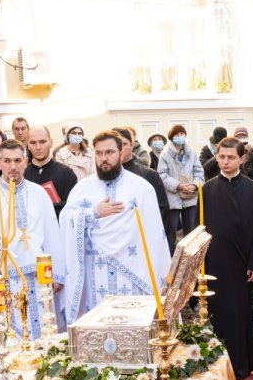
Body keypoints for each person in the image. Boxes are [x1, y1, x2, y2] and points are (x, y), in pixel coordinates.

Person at [59, 130, 170, 320]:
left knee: (132, 324)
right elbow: (65, 219)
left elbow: (155, 237)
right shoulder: (82, 188)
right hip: (95, 272)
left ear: (121, 153)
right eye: (99, 153)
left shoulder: (141, 188)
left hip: (132, 272)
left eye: (109, 152)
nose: (104, 158)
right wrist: (93, 213)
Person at [0, 139, 65, 339]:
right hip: (4, 281)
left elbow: (52, 234)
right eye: (7, 161)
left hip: (38, 279)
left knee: (43, 334)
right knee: (9, 336)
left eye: (18, 160)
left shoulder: (40, 194)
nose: (13, 166)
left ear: (26, 161)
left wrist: (57, 273)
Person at [200, 137, 253, 379]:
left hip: (242, 265)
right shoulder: (206, 189)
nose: (225, 162)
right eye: (221, 157)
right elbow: (199, 229)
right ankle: (216, 366)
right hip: (214, 264)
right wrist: (199, 266)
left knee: (240, 314)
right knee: (216, 314)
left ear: (242, 158)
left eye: (231, 157)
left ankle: (242, 365)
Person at [158, 124, 204, 247]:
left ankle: (190, 259)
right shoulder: (165, 154)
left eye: (182, 134)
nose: (180, 136)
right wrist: (178, 185)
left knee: (191, 231)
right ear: (171, 137)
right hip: (173, 197)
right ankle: (171, 256)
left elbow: (199, 172)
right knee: (171, 229)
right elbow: (162, 175)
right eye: (177, 134)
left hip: (191, 195)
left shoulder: (192, 153)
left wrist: (194, 186)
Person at [114, 127, 170, 224]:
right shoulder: (103, 177)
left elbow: (162, 210)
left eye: (124, 144)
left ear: (132, 145)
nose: (120, 149)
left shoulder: (149, 175)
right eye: (116, 145)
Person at [24, 126, 79, 215]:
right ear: (28, 146)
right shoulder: (22, 174)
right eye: (33, 143)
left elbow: (72, 208)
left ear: (51, 142)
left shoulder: (66, 174)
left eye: (42, 142)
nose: (38, 147)